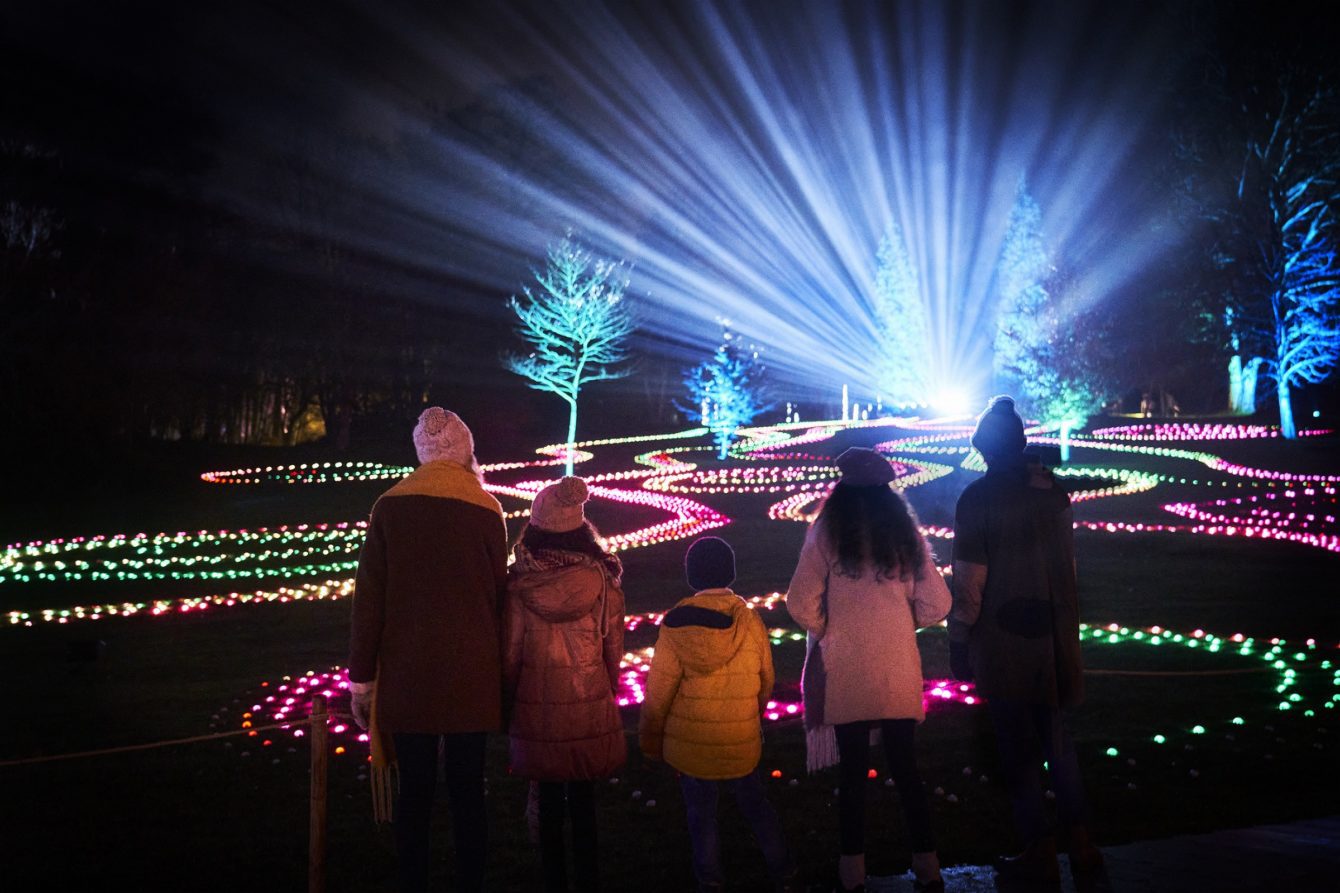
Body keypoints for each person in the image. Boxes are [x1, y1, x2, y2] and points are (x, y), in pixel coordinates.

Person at [348, 406, 508, 893]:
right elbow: (499, 596)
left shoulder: (389, 507)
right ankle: (471, 880)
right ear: (465, 450)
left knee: (413, 792)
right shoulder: (485, 508)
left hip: (408, 673)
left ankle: (413, 878)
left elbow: (369, 599)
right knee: (467, 791)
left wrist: (362, 681)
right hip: (471, 672)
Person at [949, 395, 1104, 882]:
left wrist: (959, 640)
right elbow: (1069, 566)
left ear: (984, 447)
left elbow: (970, 583)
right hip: (1054, 636)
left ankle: (1038, 846)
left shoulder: (978, 500)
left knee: (1017, 750)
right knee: (1059, 744)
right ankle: (1080, 844)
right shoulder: (1053, 495)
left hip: (1006, 640)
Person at [785, 447, 950, 893]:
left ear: (841, 491)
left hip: (847, 667)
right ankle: (929, 868)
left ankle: (852, 874)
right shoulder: (905, 537)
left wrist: (830, 629)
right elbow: (939, 603)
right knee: (907, 772)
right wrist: (900, 623)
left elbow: (799, 603)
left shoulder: (826, 534)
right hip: (896, 667)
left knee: (853, 777)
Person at [639, 537, 797, 893]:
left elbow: (658, 693)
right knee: (756, 805)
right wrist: (749, 716)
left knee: (701, 816)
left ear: (691, 574)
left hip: (691, 749)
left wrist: (650, 744)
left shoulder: (676, 623)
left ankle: (710, 879)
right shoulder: (749, 620)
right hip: (740, 742)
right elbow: (765, 679)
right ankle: (783, 868)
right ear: (731, 572)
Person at [504, 475, 627, 892]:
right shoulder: (603, 579)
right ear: (580, 528)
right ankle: (589, 878)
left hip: (537, 706)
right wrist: (607, 687)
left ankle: (554, 880)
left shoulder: (519, 585)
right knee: (584, 802)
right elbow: (614, 648)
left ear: (535, 527)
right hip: (587, 696)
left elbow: (510, 654)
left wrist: (509, 700)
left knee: (550, 802)